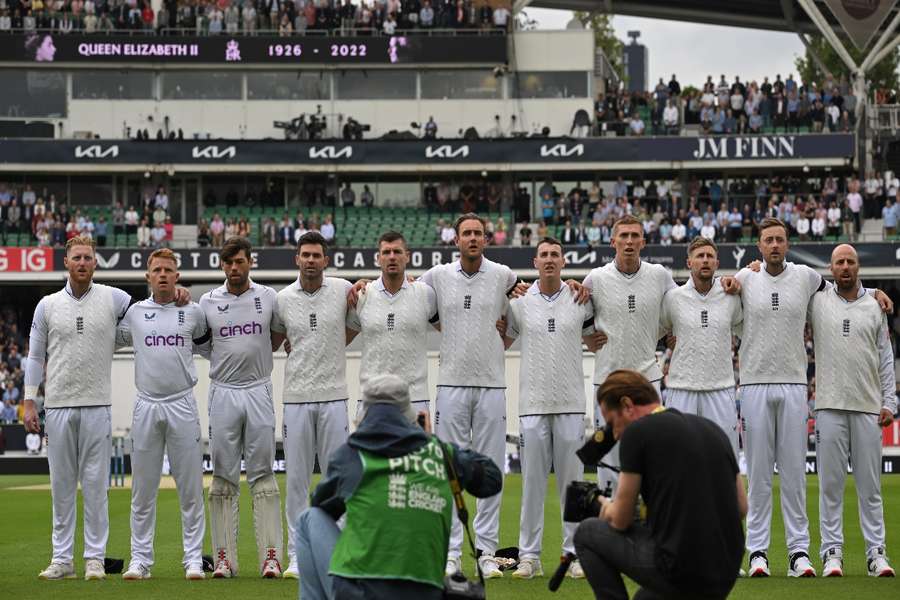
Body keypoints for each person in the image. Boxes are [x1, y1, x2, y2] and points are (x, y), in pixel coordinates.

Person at [362, 213, 516, 578]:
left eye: (478, 233)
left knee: (490, 467)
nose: (473, 238)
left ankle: (487, 552)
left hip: (493, 384)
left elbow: (520, 308)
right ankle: (449, 554)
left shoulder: (504, 276)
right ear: (457, 240)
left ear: (486, 239)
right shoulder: (436, 278)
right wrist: (363, 284)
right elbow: (405, 292)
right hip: (449, 386)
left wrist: (500, 340)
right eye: (467, 233)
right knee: (447, 471)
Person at [294, 374, 503, 600]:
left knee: (309, 518)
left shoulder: (352, 455)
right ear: (409, 415)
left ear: (366, 413)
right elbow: (492, 479)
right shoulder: (440, 453)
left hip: (361, 593)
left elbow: (321, 505)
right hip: (426, 594)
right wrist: (431, 441)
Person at [574, 369, 746, 600]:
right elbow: (742, 507)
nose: (613, 434)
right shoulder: (712, 429)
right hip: (725, 573)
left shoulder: (637, 432)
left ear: (627, 405)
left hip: (679, 569)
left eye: (611, 422)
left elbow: (620, 520)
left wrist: (599, 503)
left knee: (587, 532)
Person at [23, 236, 132, 580]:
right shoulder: (47, 305)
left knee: (97, 486)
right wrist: (28, 400)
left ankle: (95, 559)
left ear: (95, 263)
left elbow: (147, 313)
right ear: (66, 263)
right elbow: (35, 355)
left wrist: (176, 296)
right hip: (57, 407)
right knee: (62, 486)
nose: (83, 263)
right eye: (77, 258)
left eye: (88, 257)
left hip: (97, 405)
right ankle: (62, 559)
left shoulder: (115, 298)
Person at [735, 217, 822, 577]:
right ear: (759, 246)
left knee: (793, 474)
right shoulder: (744, 278)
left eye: (780, 240)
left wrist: (873, 292)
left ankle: (798, 553)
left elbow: (840, 293)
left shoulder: (806, 276)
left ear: (787, 244)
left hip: (794, 384)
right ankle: (758, 553)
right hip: (753, 384)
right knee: (756, 474)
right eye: (768, 240)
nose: (774, 245)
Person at [503, 237, 593, 580]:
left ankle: (574, 554)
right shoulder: (520, 304)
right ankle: (529, 556)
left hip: (571, 404)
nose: (550, 260)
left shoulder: (580, 298)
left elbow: (595, 334)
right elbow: (503, 338)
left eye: (556, 255)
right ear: (535, 261)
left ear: (564, 261)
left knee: (574, 486)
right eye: (544, 255)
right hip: (532, 405)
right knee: (532, 485)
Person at [115, 248, 208, 580]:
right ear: (148, 277)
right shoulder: (134, 314)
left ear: (177, 276)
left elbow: (212, 348)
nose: (164, 275)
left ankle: (193, 558)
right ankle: (140, 560)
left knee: (191, 489)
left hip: (182, 403)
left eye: (169, 270)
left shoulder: (194, 313)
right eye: (157, 270)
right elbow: (108, 340)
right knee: (143, 489)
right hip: (147, 404)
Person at [269, 231, 354, 579]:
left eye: (317, 255)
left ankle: (341, 554)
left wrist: (333, 342)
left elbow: (357, 325)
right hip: (296, 399)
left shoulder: (343, 290)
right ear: (297, 259)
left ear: (326, 260)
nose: (310, 260)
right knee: (298, 481)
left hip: (334, 397)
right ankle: (296, 555)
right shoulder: (282, 299)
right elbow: (275, 340)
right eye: (305, 255)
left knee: (338, 480)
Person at [809, 244, 896, 578]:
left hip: (867, 408)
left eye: (850, 262)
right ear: (831, 268)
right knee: (830, 487)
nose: (845, 266)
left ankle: (877, 554)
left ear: (858, 267)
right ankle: (832, 554)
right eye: (839, 262)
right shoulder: (817, 301)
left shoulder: (875, 306)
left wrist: (890, 402)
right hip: (829, 406)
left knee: (870, 487)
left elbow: (885, 358)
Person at [198, 236, 283, 578]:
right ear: (222, 265)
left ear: (251, 262)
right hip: (223, 392)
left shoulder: (268, 297)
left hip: (259, 389)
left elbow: (275, 339)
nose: (235, 268)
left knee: (263, 475)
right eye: (229, 263)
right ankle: (224, 559)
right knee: (222, 477)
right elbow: (205, 346)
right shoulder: (207, 301)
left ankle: (271, 557)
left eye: (240, 262)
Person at [581, 215, 679, 495]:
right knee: (607, 461)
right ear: (613, 242)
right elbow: (577, 316)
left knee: (654, 456)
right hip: (607, 381)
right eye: (623, 236)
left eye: (635, 236)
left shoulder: (660, 275)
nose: (629, 241)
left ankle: (652, 527)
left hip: (647, 382)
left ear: (643, 242)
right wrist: (588, 339)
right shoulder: (595, 278)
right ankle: (610, 530)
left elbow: (680, 307)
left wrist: (670, 332)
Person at [661, 237, 742, 456]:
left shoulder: (731, 296)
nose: (705, 261)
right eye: (700, 256)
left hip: (721, 387)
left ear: (716, 263)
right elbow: (658, 331)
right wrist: (666, 339)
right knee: (678, 459)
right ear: (689, 263)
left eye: (709, 257)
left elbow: (747, 331)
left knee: (723, 459)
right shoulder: (672, 298)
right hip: (681, 389)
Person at [347, 231, 439, 418]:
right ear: (378, 258)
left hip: (416, 399)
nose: (392, 257)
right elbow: (340, 340)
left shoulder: (425, 294)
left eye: (397, 252)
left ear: (407, 256)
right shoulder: (363, 296)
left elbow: (450, 329)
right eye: (386, 252)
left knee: (416, 450)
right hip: (371, 399)